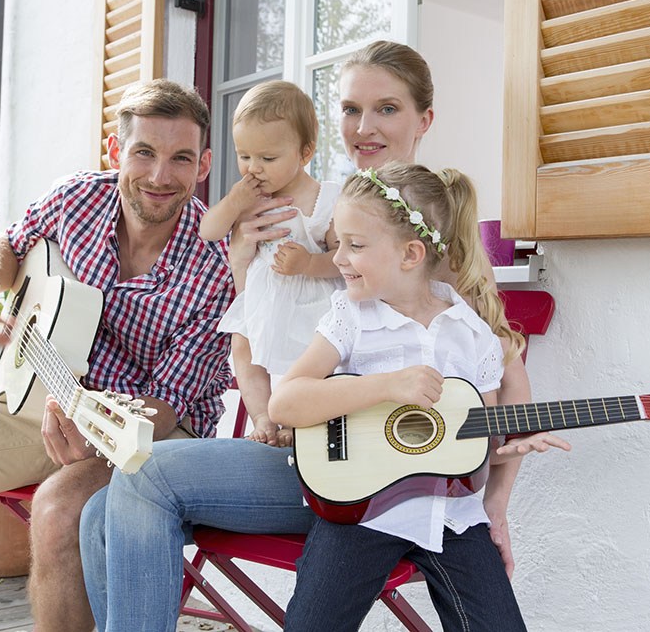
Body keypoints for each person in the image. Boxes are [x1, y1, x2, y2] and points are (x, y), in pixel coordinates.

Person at [79, 40, 531, 630]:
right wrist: (243, 259)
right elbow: (259, 319)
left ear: (424, 120)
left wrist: (494, 502)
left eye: (386, 109)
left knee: (140, 480)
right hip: (299, 438)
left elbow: (503, 372)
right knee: (97, 514)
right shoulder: (321, 205)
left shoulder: (428, 241)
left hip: (357, 472)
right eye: (350, 110)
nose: (364, 128)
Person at [0, 78, 234, 632]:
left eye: (181, 158)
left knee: (56, 510)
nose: (159, 176)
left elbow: (169, 404)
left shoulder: (216, 262)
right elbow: (12, 241)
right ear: (114, 150)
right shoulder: (77, 196)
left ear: (203, 165)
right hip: (40, 399)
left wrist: (92, 426)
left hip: (147, 436)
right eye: (143, 152)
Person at [268, 163, 571, 630]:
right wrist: (388, 386)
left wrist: (507, 446)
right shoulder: (351, 317)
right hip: (361, 509)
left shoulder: (473, 335)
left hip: (453, 517)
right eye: (339, 242)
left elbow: (475, 439)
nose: (338, 258)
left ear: (410, 253)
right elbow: (284, 402)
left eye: (355, 245)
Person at [199, 81, 341, 446]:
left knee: (309, 358)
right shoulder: (248, 197)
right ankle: (263, 417)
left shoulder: (324, 199)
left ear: (305, 152)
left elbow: (344, 260)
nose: (253, 168)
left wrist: (310, 263)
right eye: (244, 155)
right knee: (243, 348)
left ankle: (299, 419)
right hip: (261, 299)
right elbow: (209, 231)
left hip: (311, 301)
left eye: (268, 158)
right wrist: (233, 202)